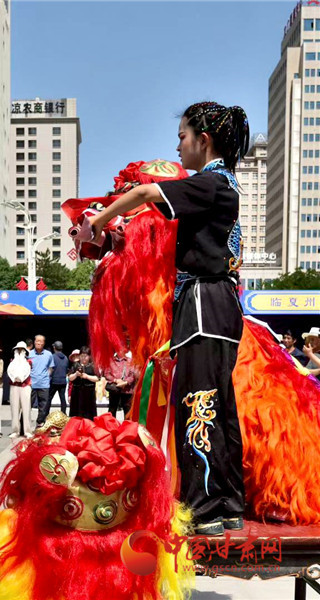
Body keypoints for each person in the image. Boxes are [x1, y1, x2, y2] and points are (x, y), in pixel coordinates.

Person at [88, 101, 250, 535]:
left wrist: (99, 220)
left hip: (202, 303)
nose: (178, 147)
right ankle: (228, 504)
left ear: (204, 139)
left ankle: (204, 509)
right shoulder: (222, 185)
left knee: (199, 403)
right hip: (220, 303)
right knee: (221, 406)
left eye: (182, 137)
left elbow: (144, 195)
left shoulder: (210, 183)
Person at [6, 341, 32, 439]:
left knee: (26, 409)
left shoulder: (28, 362)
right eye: (18, 350)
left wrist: (21, 378)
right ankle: (15, 431)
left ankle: (27, 431)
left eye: (22, 350)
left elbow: (27, 372)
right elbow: (10, 371)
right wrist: (14, 378)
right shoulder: (12, 362)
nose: (20, 352)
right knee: (14, 409)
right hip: (14, 386)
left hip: (25, 386)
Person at [29, 335, 55, 429]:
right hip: (31, 383)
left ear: (44, 343)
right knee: (27, 405)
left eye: (41, 341)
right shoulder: (29, 354)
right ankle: (23, 424)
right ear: (34, 342)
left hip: (44, 383)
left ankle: (40, 422)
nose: (38, 343)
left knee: (43, 405)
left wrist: (47, 376)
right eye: (37, 341)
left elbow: (51, 367)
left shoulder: (48, 354)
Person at [103, 350, 137, 419]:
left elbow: (133, 375)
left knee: (127, 410)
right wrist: (116, 380)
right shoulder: (111, 361)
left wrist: (125, 382)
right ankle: (111, 425)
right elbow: (106, 373)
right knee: (112, 409)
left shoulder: (130, 361)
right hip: (114, 388)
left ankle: (128, 425)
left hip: (127, 390)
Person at [68, 346, 99, 419]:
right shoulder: (76, 365)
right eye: (81, 356)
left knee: (89, 413)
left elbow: (97, 378)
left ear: (89, 356)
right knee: (76, 413)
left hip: (89, 392)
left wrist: (87, 376)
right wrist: (76, 374)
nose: (83, 358)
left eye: (85, 356)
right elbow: (70, 377)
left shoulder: (93, 365)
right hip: (77, 392)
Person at [50, 341, 69, 413]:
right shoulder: (66, 358)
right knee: (63, 398)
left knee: (49, 398)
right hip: (63, 381)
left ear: (54, 347)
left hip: (54, 381)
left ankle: (45, 414)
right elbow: (66, 369)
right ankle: (63, 414)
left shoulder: (52, 357)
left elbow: (50, 369)